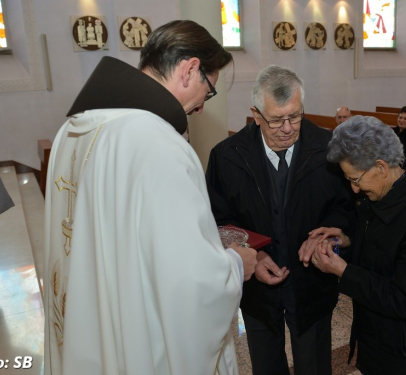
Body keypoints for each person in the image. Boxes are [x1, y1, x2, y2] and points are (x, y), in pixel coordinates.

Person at [44, 20, 257, 375]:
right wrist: (236, 264)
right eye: (209, 90)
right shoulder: (157, 142)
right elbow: (190, 284)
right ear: (190, 69)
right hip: (139, 343)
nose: (203, 106)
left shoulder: (74, 129)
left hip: (94, 330)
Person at [206, 65, 353, 375]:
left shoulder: (329, 150)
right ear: (256, 114)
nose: (288, 128)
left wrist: (332, 235)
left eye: (295, 116)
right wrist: (253, 253)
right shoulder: (228, 157)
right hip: (259, 293)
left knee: (313, 365)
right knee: (266, 365)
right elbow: (219, 220)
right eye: (276, 119)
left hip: (313, 284)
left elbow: (347, 206)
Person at [308, 115, 406, 375]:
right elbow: (383, 249)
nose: (353, 189)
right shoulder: (383, 191)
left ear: (381, 167)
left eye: (355, 179)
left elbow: (405, 299)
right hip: (379, 336)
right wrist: (348, 240)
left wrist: (343, 271)